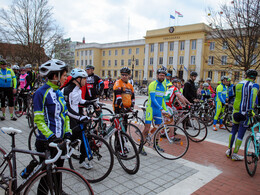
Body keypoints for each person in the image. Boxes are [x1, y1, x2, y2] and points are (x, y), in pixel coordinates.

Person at [33, 59, 71, 194]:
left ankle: (58, 190)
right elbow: (38, 119)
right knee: (46, 178)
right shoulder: (41, 93)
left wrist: (67, 132)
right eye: (64, 75)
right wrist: (51, 136)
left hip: (59, 141)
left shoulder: (59, 92)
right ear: (56, 76)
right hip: (46, 142)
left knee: (58, 171)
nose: (66, 78)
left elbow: (65, 116)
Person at [62, 68, 92, 169]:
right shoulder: (67, 90)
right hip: (67, 118)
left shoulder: (78, 89)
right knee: (72, 138)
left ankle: (82, 161)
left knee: (84, 137)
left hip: (74, 116)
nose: (86, 81)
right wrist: (80, 117)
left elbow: (80, 101)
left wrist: (91, 102)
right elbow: (68, 109)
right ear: (77, 79)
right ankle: (63, 153)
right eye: (84, 78)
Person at [226, 70, 259, 161]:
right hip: (245, 112)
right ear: (254, 77)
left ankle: (229, 150)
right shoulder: (254, 85)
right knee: (241, 133)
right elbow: (253, 96)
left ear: (246, 75)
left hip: (235, 111)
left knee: (233, 130)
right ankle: (235, 154)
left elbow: (232, 95)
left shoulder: (238, 84)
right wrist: (251, 109)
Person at [141, 68, 168, 155]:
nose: (162, 77)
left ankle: (155, 145)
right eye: (160, 75)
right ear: (157, 75)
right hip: (151, 109)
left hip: (158, 110)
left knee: (158, 128)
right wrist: (161, 108)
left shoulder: (163, 86)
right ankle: (141, 147)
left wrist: (166, 110)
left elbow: (163, 100)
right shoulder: (153, 84)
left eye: (163, 75)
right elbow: (153, 99)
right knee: (147, 129)